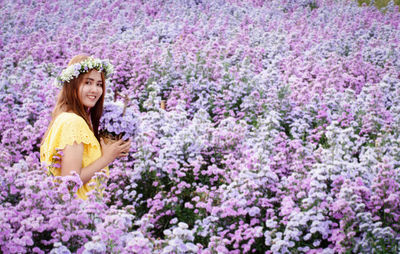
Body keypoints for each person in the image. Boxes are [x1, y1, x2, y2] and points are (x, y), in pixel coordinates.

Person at [40, 54, 131, 200]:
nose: (95, 90)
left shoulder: (67, 117)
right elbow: (69, 183)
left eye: (99, 84)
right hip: (77, 214)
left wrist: (111, 149)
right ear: (72, 85)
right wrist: (107, 158)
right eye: (88, 83)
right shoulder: (73, 122)